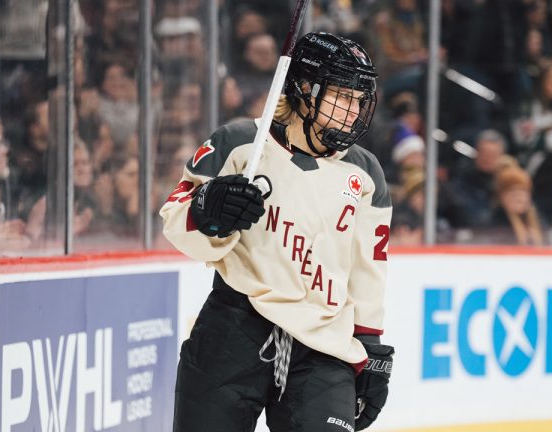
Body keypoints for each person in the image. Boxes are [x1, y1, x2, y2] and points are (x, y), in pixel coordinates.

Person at [160, 32, 394, 431]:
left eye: (358, 100)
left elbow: (367, 270)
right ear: (304, 88)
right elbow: (175, 220)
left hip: (324, 345)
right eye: (341, 96)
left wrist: (369, 348)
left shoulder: (365, 171)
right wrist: (209, 210)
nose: (352, 111)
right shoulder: (240, 144)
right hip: (233, 330)